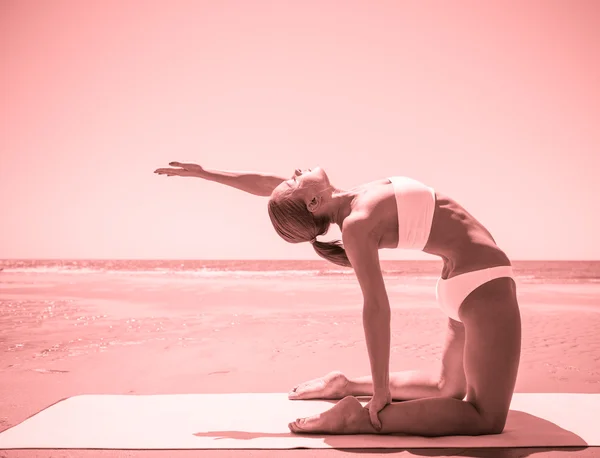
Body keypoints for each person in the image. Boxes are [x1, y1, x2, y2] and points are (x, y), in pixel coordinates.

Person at [154, 161, 521, 437]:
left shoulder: (350, 200)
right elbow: (376, 308)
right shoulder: (357, 222)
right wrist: (380, 395)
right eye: (295, 182)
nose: (295, 171)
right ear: (313, 201)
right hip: (483, 285)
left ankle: (344, 384)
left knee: (448, 389)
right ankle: (357, 417)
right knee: (486, 418)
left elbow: (268, 185)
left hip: (462, 282)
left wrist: (207, 174)